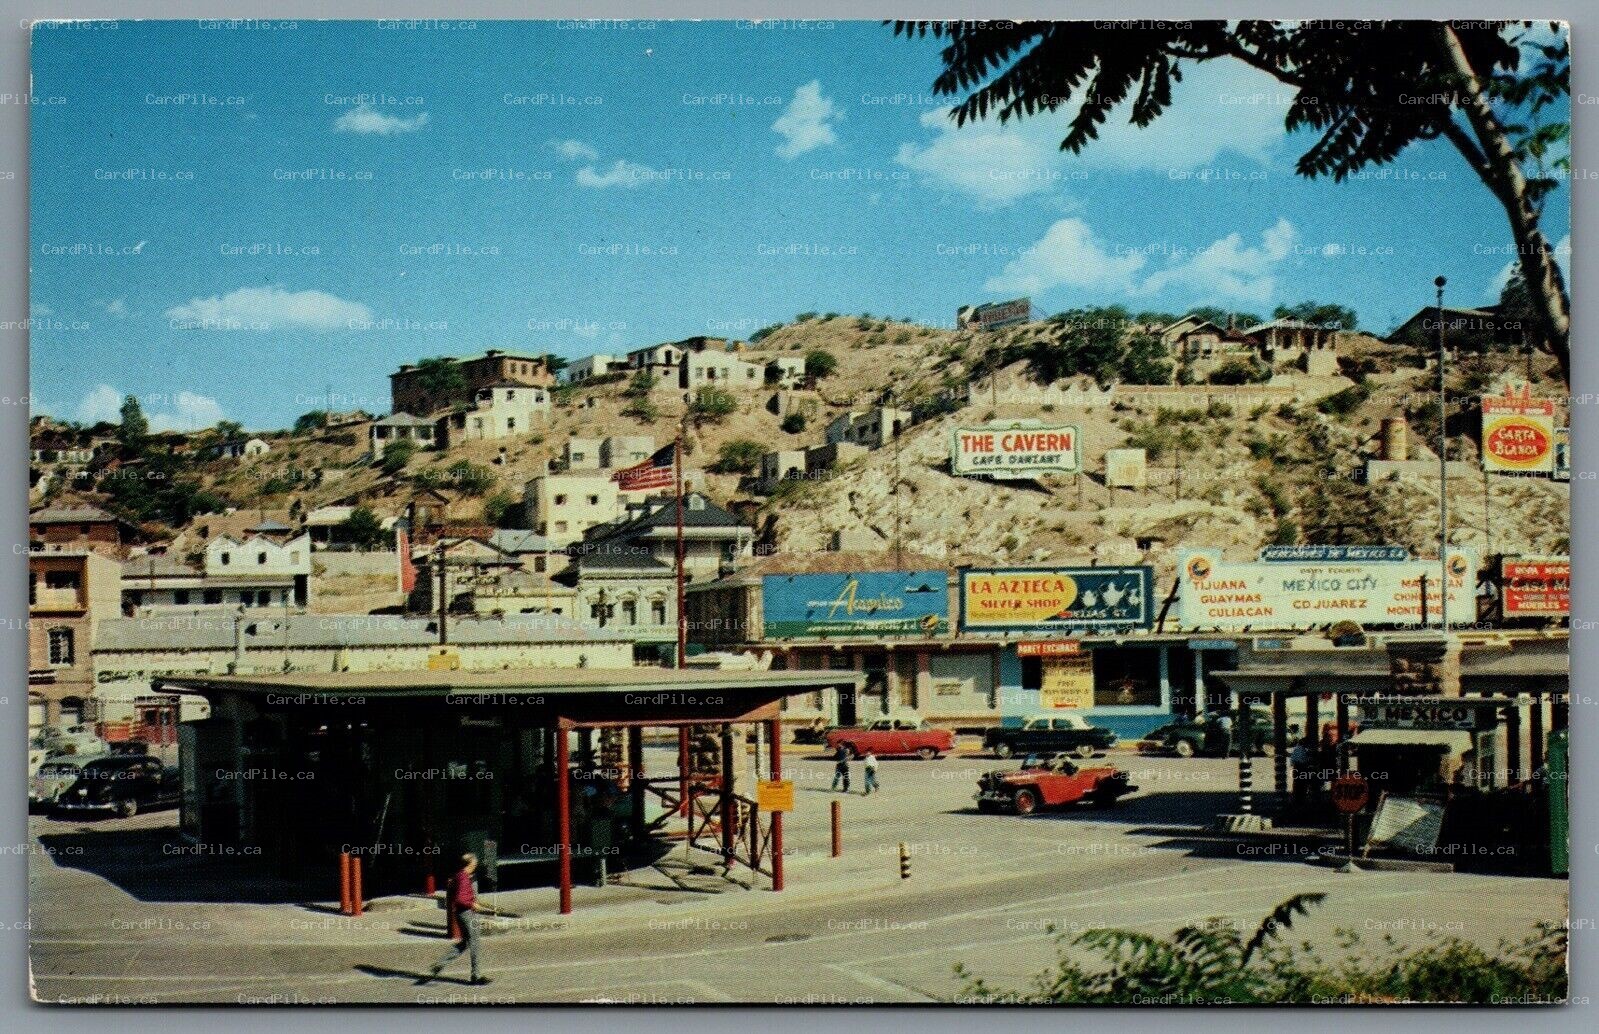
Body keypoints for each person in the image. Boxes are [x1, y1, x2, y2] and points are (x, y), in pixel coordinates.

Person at [424, 853, 491, 985]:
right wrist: (473, 904)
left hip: (461, 913)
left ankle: (439, 964)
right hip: (467, 913)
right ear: (470, 864)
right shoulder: (464, 878)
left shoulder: (459, 875)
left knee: (464, 943)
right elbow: (461, 898)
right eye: (474, 864)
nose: (475, 866)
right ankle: (476, 976)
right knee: (474, 942)